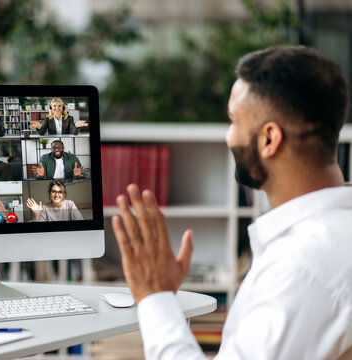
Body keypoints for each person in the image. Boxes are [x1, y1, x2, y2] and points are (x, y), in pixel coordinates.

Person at [112, 45, 352, 359]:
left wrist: (155, 296)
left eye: (234, 121)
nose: (229, 136)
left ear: (269, 139)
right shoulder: (332, 234)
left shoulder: (302, 268)